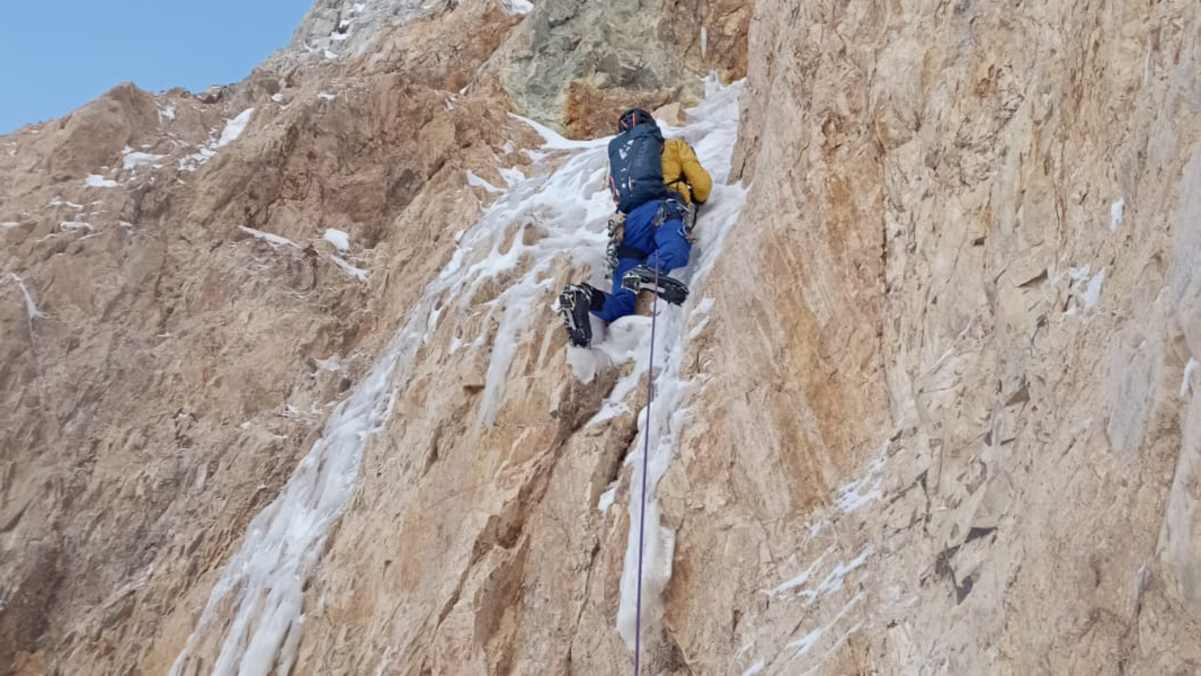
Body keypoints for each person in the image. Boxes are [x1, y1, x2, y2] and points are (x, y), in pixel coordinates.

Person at [558, 107, 712, 348]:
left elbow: (620, 198)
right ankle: (649, 271)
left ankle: (585, 296)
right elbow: (702, 186)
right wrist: (696, 199)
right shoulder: (671, 146)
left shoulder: (620, 164)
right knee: (675, 251)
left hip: (628, 230)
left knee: (622, 304)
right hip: (662, 212)